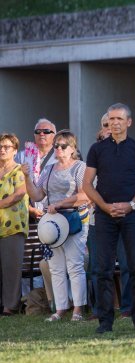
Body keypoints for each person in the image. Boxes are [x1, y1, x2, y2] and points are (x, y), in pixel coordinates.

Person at [82, 103, 135, 334]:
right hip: (104, 216)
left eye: (119, 119)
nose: (114, 123)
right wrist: (104, 206)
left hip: (132, 215)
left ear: (128, 122)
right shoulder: (96, 149)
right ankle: (105, 322)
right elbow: (87, 184)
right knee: (102, 268)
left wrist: (131, 204)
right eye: (111, 119)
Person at [22, 130, 89, 322]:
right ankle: (60, 309)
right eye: (56, 146)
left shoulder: (80, 167)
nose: (58, 149)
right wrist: (26, 178)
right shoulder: (49, 169)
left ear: (72, 149)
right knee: (56, 267)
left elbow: (85, 195)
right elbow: (36, 195)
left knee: (74, 266)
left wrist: (60, 204)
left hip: (74, 220)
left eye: (63, 146)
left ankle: (78, 309)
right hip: (53, 224)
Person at [0, 133, 28, 316]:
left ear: (15, 151)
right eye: (0, 147)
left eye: (7, 147)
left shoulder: (19, 170)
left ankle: (10, 306)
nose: (2, 150)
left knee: (11, 267)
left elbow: (19, 194)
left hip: (13, 226)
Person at [17, 118, 57, 221]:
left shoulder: (61, 156)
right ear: (34, 135)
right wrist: (29, 209)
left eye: (46, 131)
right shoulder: (22, 156)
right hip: (27, 213)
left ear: (54, 136)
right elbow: (15, 185)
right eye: (38, 132)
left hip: (54, 212)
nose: (42, 134)